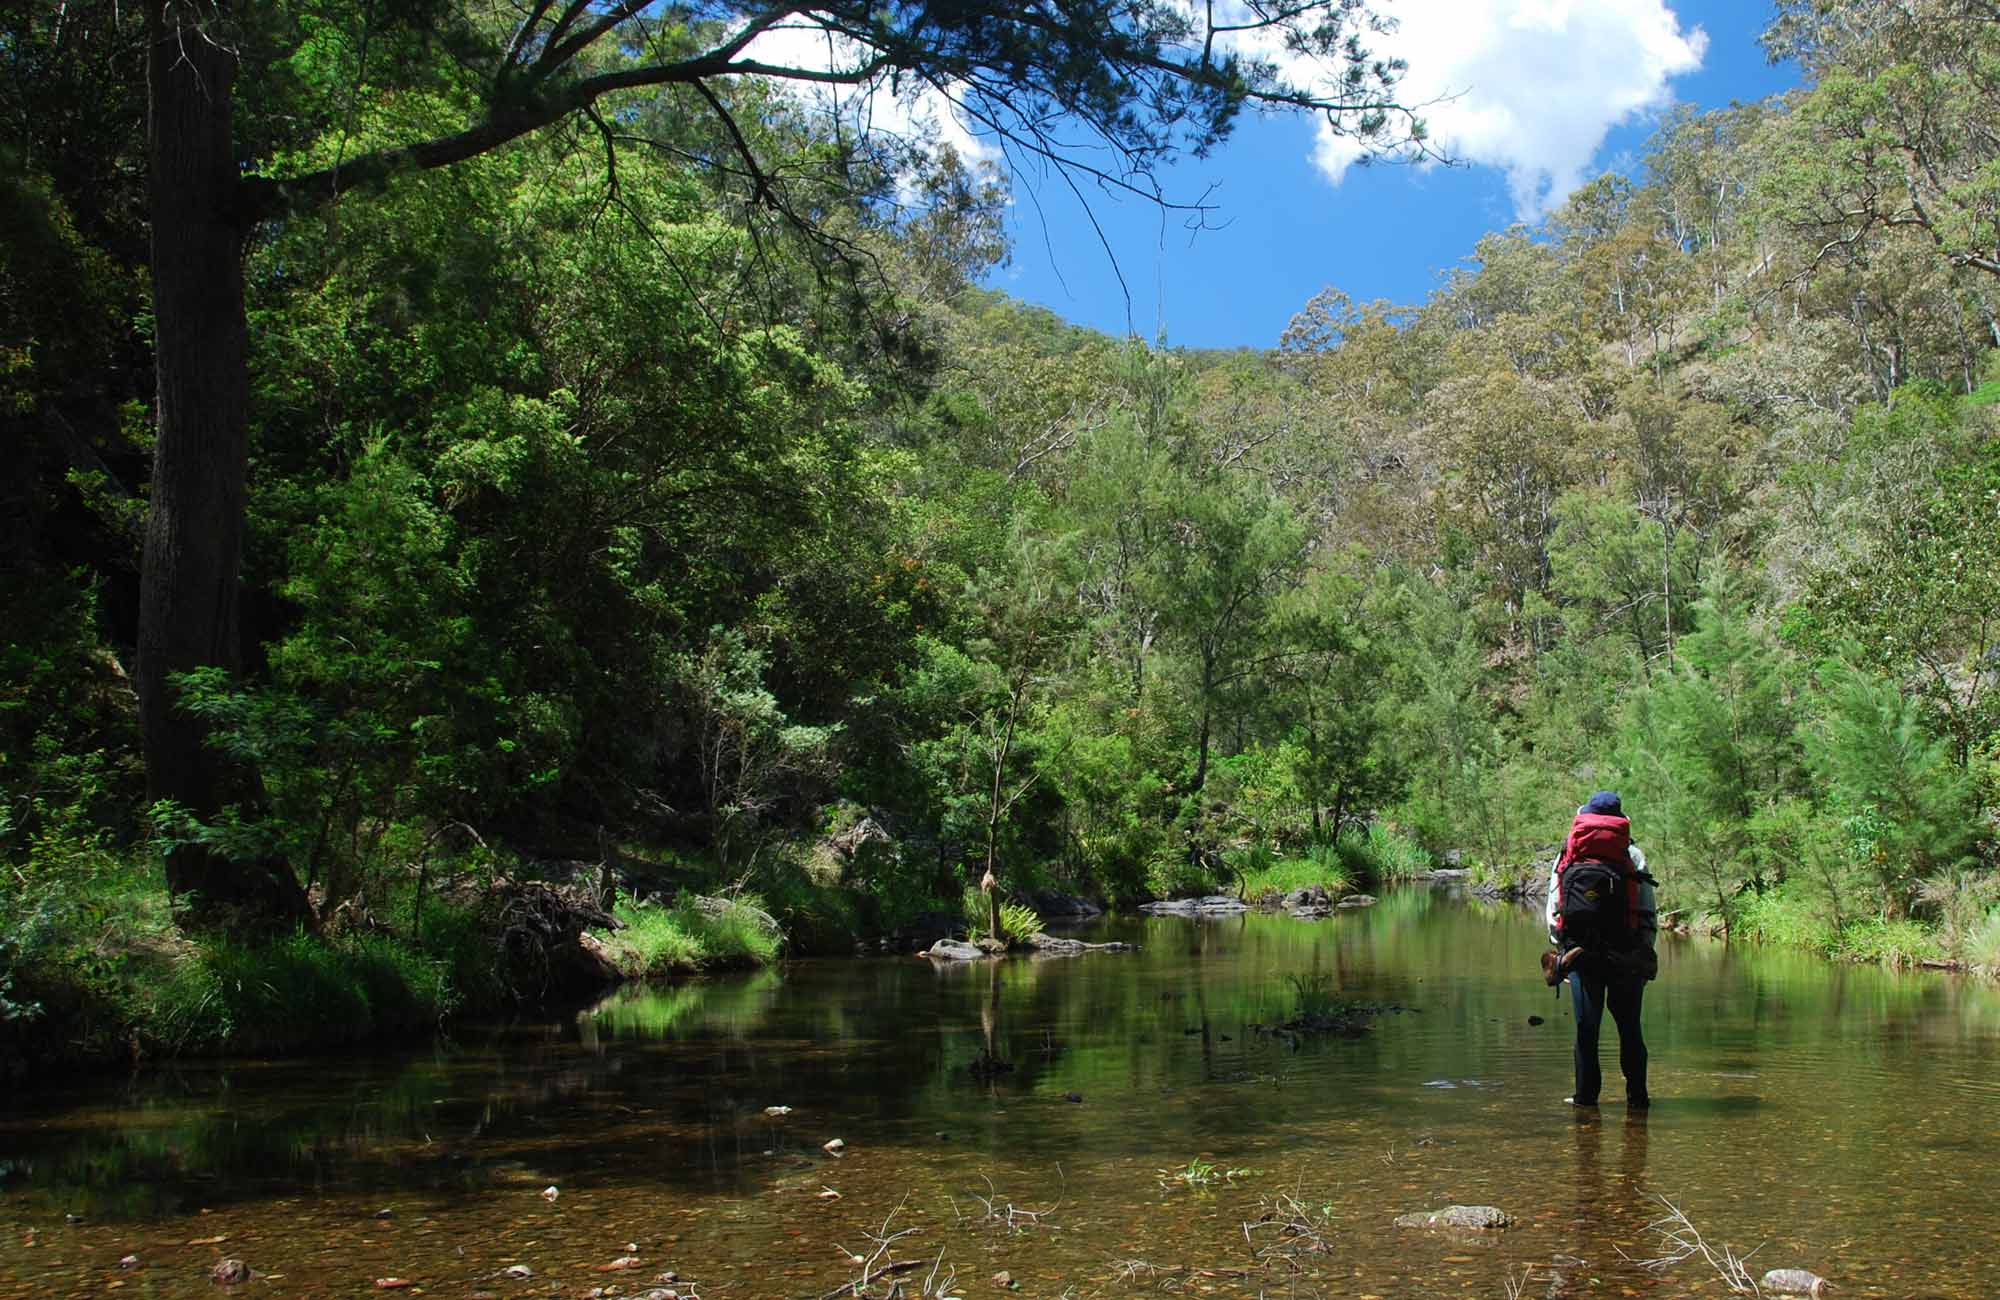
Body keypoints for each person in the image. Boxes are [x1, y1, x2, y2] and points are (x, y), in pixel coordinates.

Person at [1544, 791, 1657, 1109]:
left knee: (1586, 1030)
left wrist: (1563, 951)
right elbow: (1647, 909)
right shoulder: (1632, 854)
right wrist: (1644, 951)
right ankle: (1637, 1100)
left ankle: (1585, 1101)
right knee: (1630, 1028)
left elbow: (1554, 907)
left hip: (1581, 955)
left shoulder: (1569, 853)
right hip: (1626, 955)